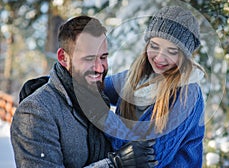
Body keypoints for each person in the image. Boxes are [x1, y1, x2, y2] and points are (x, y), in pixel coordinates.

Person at [10, 16, 156, 168]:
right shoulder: (35, 113)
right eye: (89, 58)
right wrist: (114, 164)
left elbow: (134, 80)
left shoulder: (95, 100)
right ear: (63, 58)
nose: (99, 68)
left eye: (103, 57)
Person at [104, 6, 206, 167]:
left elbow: (150, 156)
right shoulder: (139, 76)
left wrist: (104, 118)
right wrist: (57, 81)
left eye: (172, 51)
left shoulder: (188, 93)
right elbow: (94, 87)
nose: (159, 58)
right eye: (154, 46)